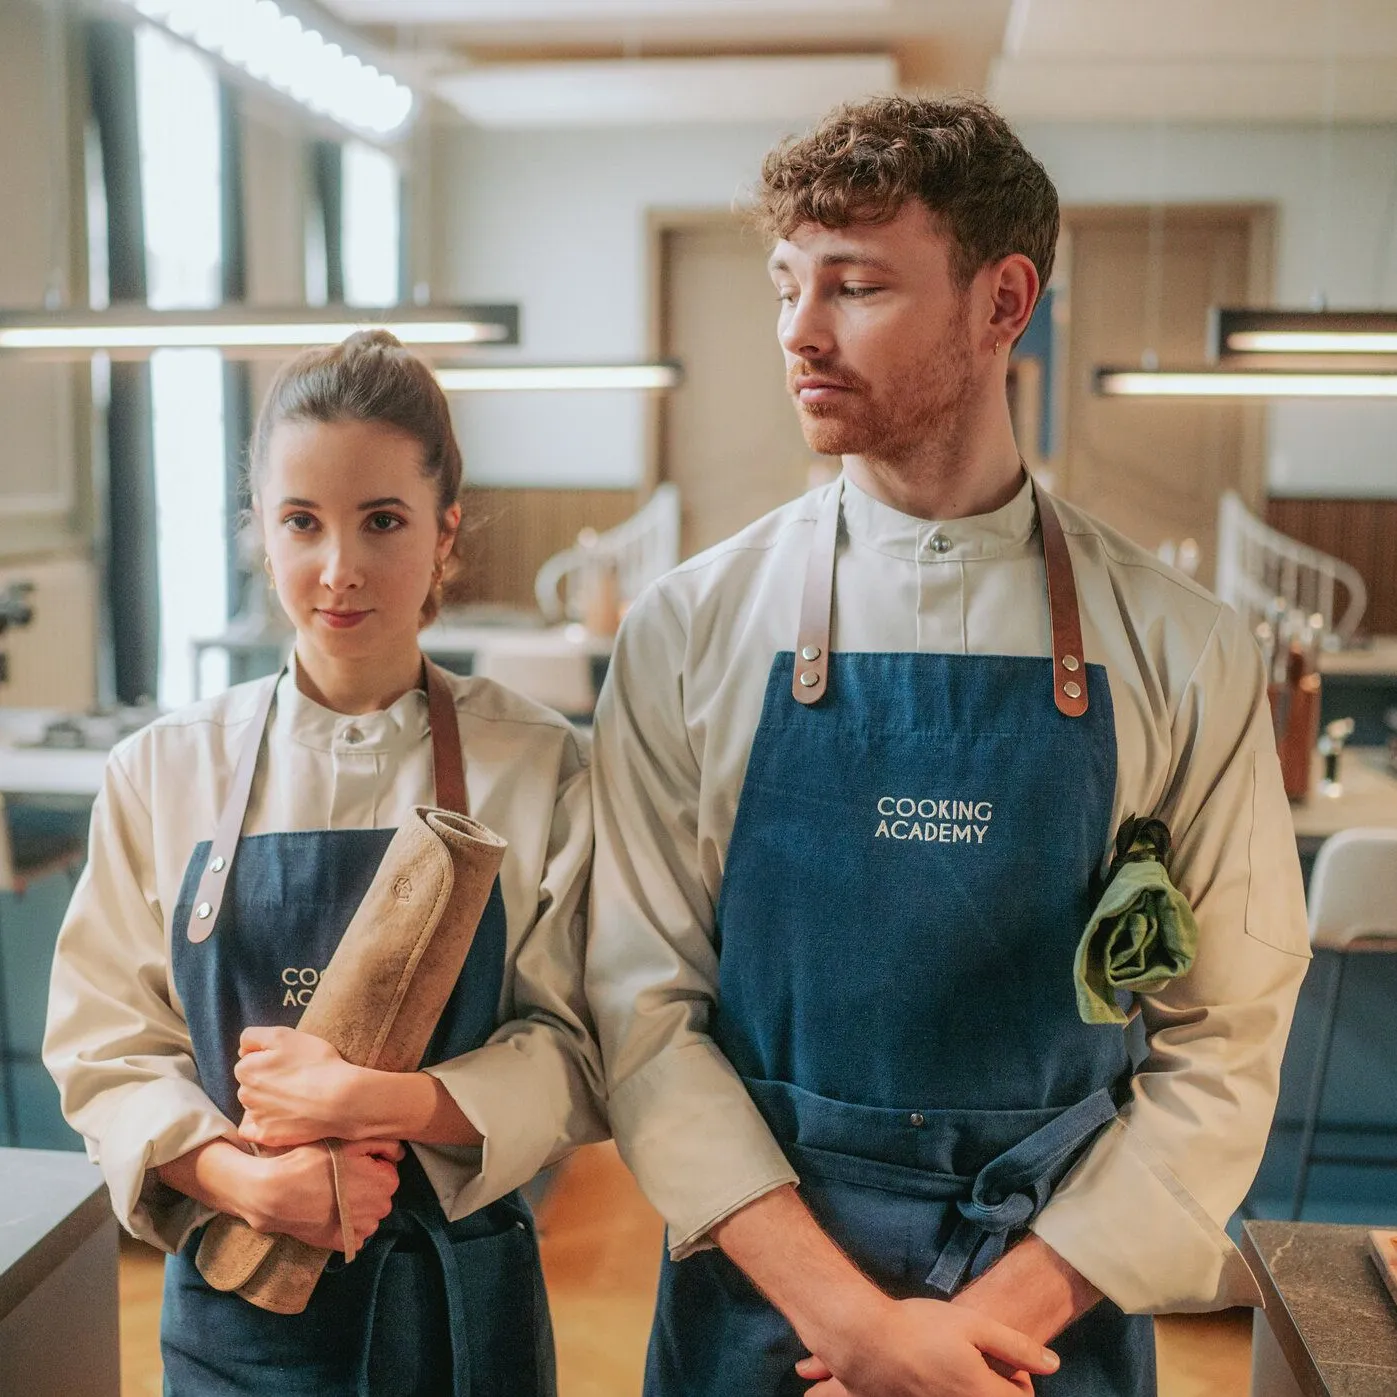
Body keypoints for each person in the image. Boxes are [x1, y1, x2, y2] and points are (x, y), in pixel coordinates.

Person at [587, 95, 1310, 1396]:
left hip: (1043, 1322)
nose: (798, 331)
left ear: (1002, 302)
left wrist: (980, 1331)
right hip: (769, 1317)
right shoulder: (687, 632)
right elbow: (641, 1014)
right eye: (786, 285)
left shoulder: (1182, 648)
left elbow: (1224, 1040)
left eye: (855, 286)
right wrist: (860, 1330)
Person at [44, 330, 605, 1395]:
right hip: (238, 1295)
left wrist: (378, 1102)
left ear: (444, 532)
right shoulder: (162, 769)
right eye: (301, 521)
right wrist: (240, 1182)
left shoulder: (538, 763)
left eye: (381, 520)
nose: (338, 568)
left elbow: (575, 1047)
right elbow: (107, 1046)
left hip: (458, 1307)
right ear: (261, 531)